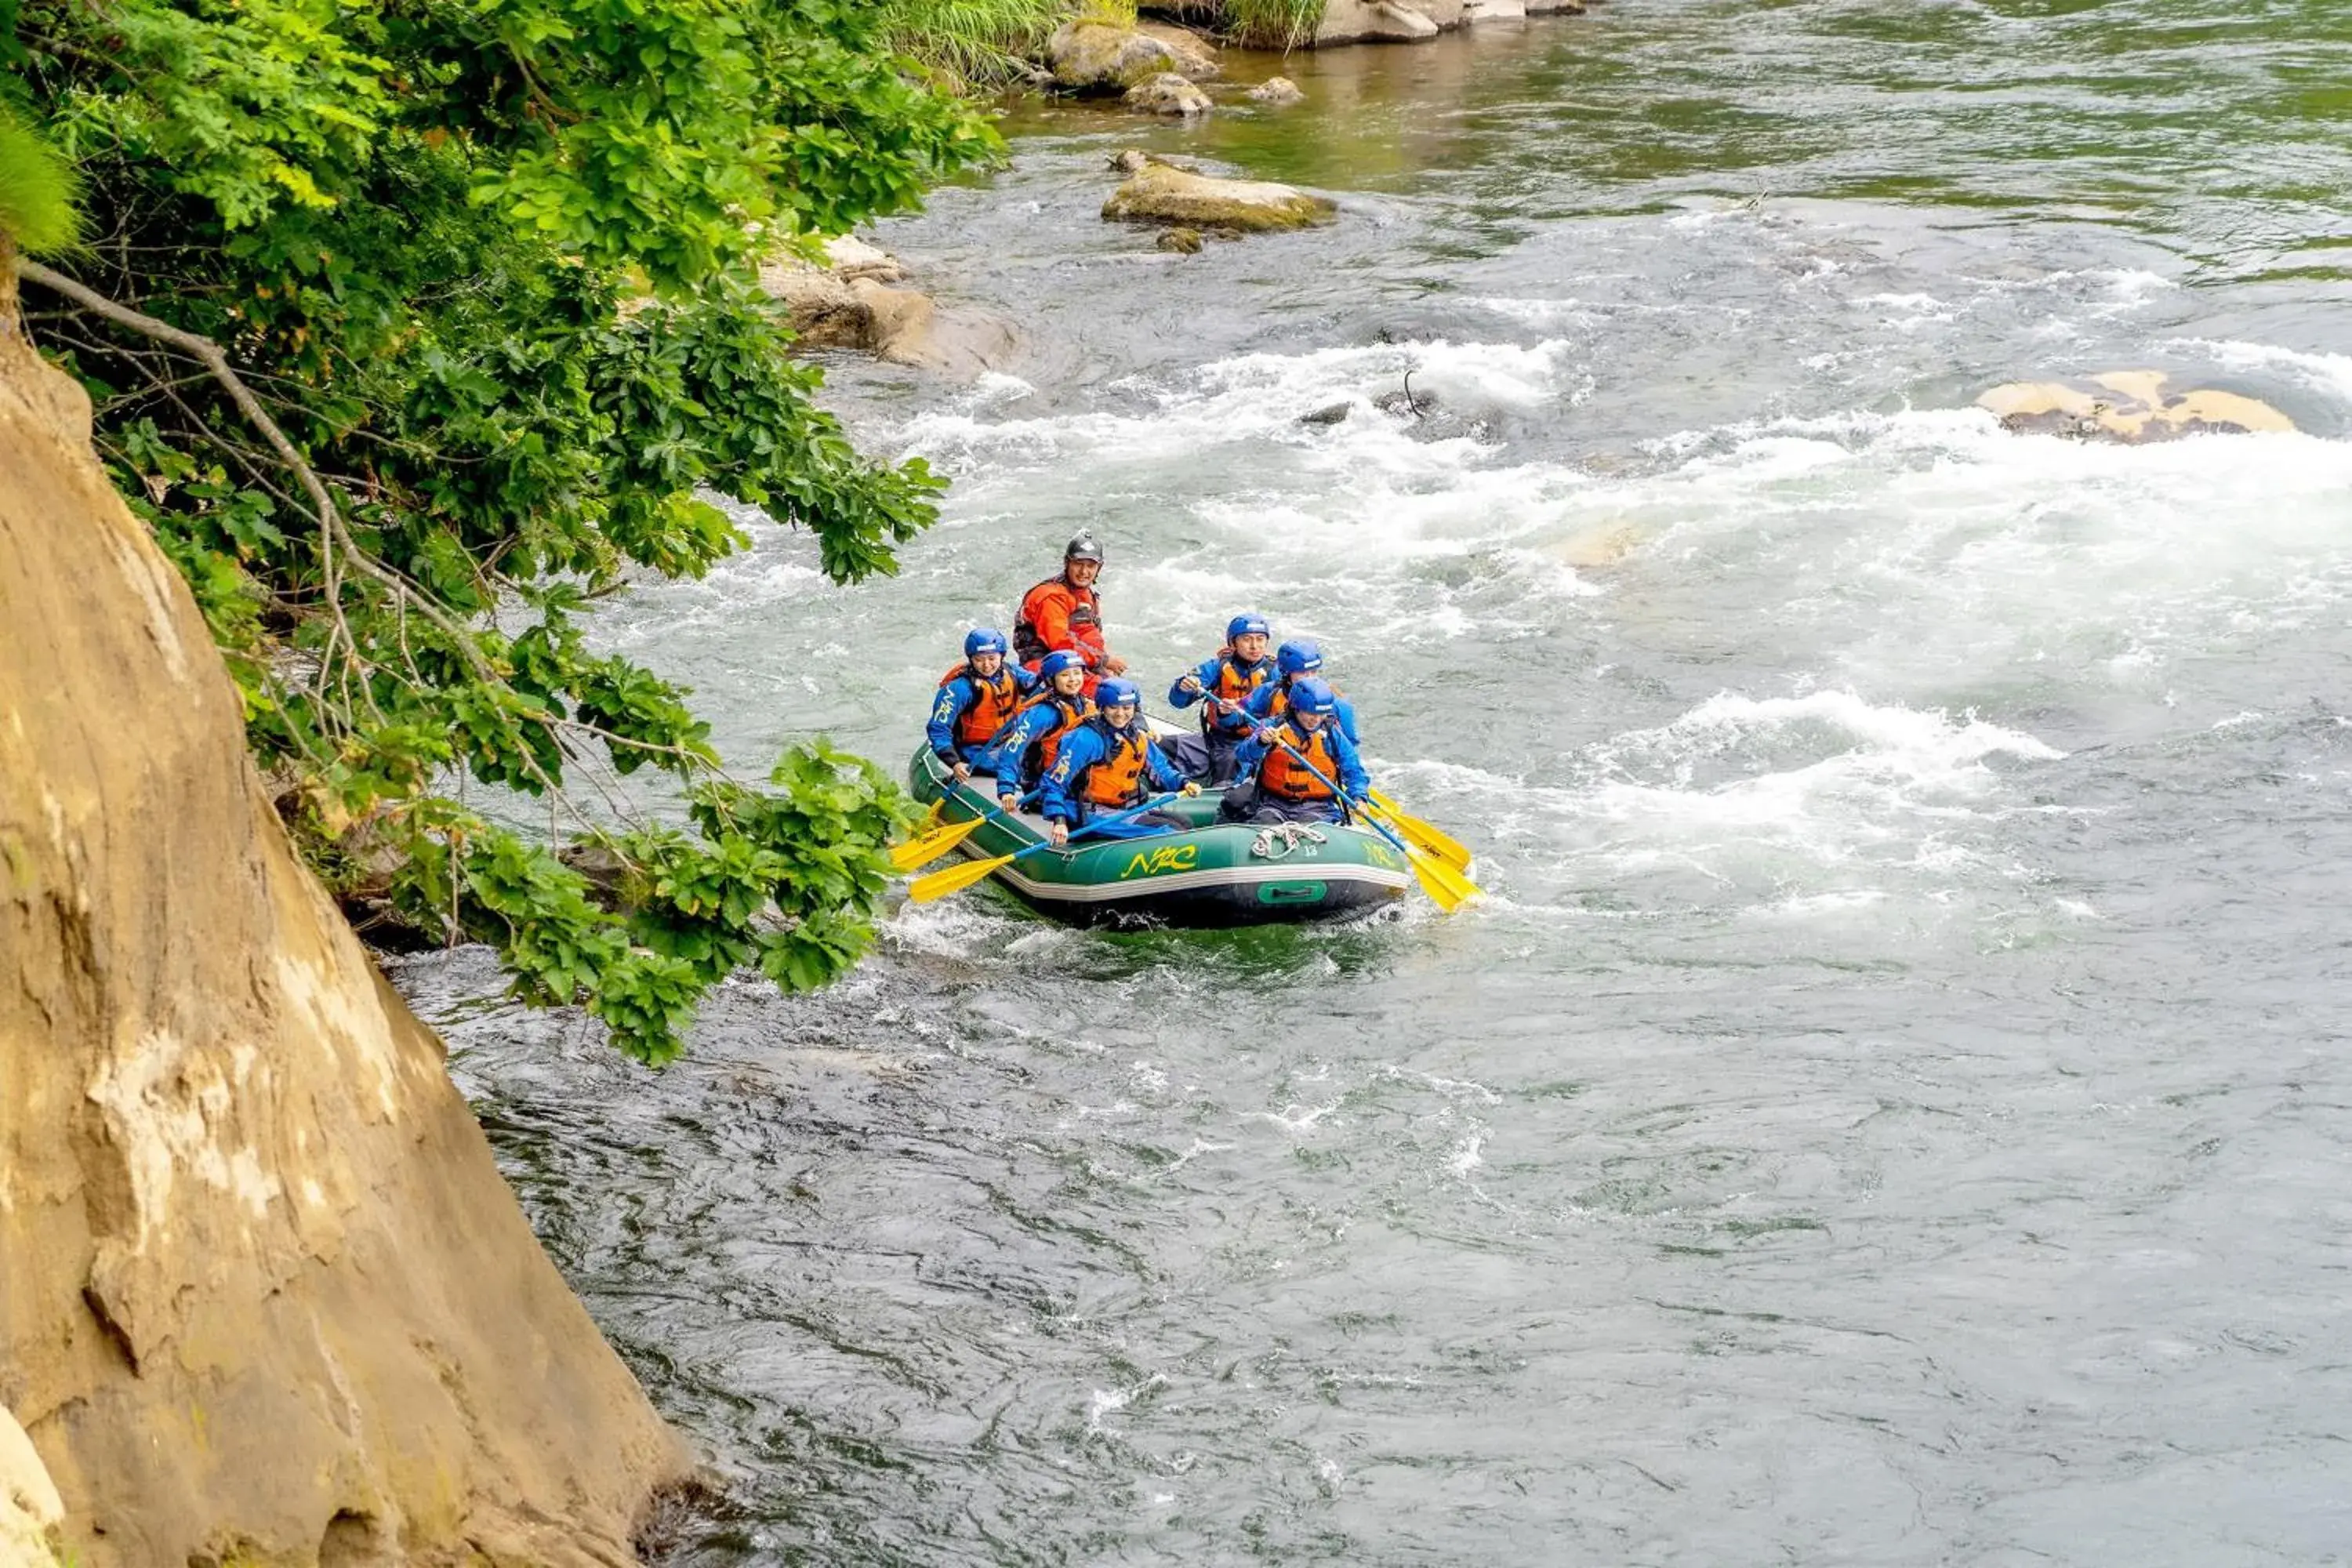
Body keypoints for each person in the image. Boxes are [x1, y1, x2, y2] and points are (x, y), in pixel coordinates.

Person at [1040, 678, 1200, 845]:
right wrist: (1059, 820)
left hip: (1124, 808)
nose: (1120, 714)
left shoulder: (1137, 736)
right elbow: (1054, 781)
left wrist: (1184, 782)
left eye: (1127, 708)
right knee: (1171, 833)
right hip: (1089, 812)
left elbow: (1161, 769)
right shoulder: (1085, 739)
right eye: (1113, 707)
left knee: (1185, 823)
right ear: (1102, 707)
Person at [1223, 677, 1369, 825]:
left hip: (1318, 808)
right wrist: (1260, 742)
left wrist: (1359, 797)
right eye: (1310, 714)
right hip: (1273, 804)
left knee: (1311, 829)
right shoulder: (1271, 727)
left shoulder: (1332, 735)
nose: (1316, 720)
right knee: (1265, 822)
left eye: (1321, 714)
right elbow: (1243, 755)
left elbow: (1354, 770)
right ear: (1296, 708)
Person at [1166, 613, 1275, 785]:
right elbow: (1177, 702)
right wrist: (1182, 687)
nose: (1255, 646)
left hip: (1254, 744)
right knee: (1159, 745)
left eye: (1260, 639)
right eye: (1247, 639)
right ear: (1233, 643)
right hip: (1216, 739)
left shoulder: (1275, 673)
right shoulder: (1218, 666)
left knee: (1229, 762)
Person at [1013, 531, 1127, 695]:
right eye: (1078, 564)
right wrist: (1104, 661)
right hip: (1044, 665)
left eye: (1091, 566)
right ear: (1067, 563)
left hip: (1075, 663)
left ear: (1099, 568)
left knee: (1117, 690)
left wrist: (1102, 666)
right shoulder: (1050, 596)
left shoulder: (1086, 595)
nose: (1084, 571)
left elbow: (1088, 635)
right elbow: (1060, 642)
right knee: (1110, 694)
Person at [986, 649, 1094, 808]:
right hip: (1046, 786)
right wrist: (1006, 789)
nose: (1073, 680)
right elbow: (1013, 750)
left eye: (1077, 673)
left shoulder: (1089, 705)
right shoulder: (1042, 713)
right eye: (1065, 675)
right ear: (1052, 680)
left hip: (1079, 781)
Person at [927, 628, 1036, 783]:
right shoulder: (959, 689)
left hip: (1009, 740)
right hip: (975, 751)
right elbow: (938, 730)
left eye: (992, 658)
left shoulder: (1011, 672)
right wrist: (955, 763)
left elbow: (1035, 682)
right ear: (971, 659)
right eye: (979, 659)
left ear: (1001, 656)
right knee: (1016, 769)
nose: (986, 665)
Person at [1243, 638, 1361, 745]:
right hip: (1275, 750)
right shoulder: (1269, 691)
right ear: (1287, 673)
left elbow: (1350, 746)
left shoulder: (1339, 704)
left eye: (1313, 671)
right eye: (1302, 672)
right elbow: (1241, 714)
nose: (1309, 677)